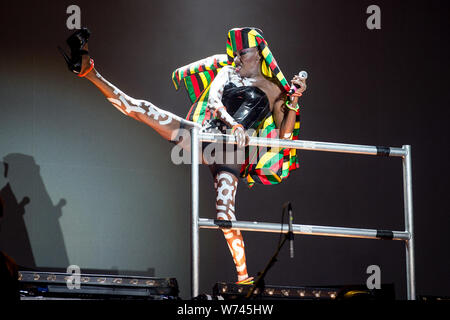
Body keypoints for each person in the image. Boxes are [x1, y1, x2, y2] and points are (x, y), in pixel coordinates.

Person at [60, 27, 306, 285]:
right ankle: (90, 71)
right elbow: (213, 100)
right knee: (142, 109)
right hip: (208, 136)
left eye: (241, 52)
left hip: (232, 151)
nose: (236, 57)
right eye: (234, 53)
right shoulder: (228, 72)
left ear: (257, 53)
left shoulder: (274, 89)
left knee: (224, 215)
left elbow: (283, 137)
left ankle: (243, 277)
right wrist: (233, 124)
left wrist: (294, 102)